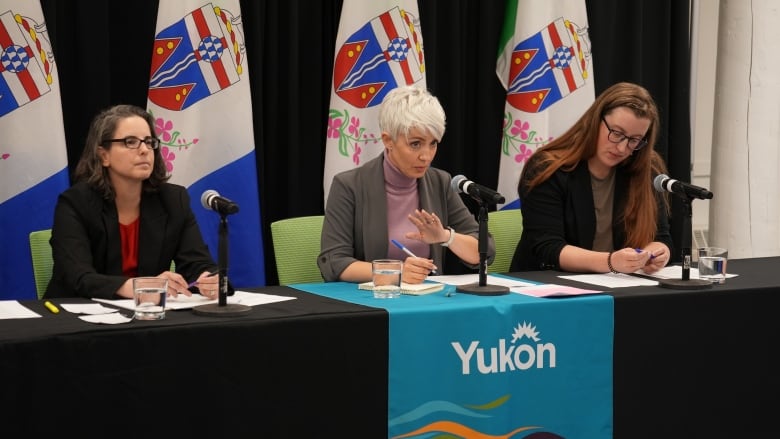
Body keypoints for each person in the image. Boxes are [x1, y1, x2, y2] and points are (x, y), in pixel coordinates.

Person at [318, 86, 495, 284]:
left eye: (433, 143)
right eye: (415, 144)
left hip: (428, 301)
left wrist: (446, 236)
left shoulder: (440, 182)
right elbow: (334, 262)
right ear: (388, 140)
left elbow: (484, 251)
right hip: (372, 303)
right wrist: (396, 272)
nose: (426, 156)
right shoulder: (349, 185)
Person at [43, 104, 220, 300]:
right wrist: (138, 287)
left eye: (148, 141)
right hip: (77, 317)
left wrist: (207, 279)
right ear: (104, 155)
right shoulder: (76, 203)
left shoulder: (173, 200)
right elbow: (78, 277)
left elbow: (196, 263)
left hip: (148, 317)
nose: (144, 150)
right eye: (130, 142)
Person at [509, 82, 673, 275]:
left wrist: (657, 253)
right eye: (617, 133)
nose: (622, 148)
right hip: (548, 286)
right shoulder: (547, 168)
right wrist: (611, 262)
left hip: (619, 285)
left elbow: (661, 236)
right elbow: (549, 248)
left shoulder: (648, 170)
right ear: (596, 121)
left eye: (634, 140)